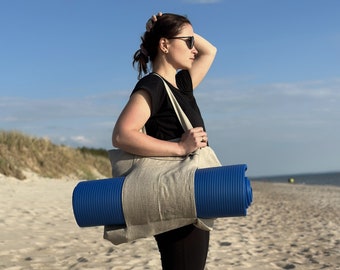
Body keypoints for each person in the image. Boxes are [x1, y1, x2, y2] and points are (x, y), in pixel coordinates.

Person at [112, 12, 217, 270]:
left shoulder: (182, 84)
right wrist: (180, 147)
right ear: (165, 45)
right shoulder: (153, 85)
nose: (194, 48)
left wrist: (161, 28)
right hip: (174, 192)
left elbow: (210, 51)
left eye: (193, 42)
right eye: (188, 42)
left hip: (188, 191)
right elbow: (122, 134)